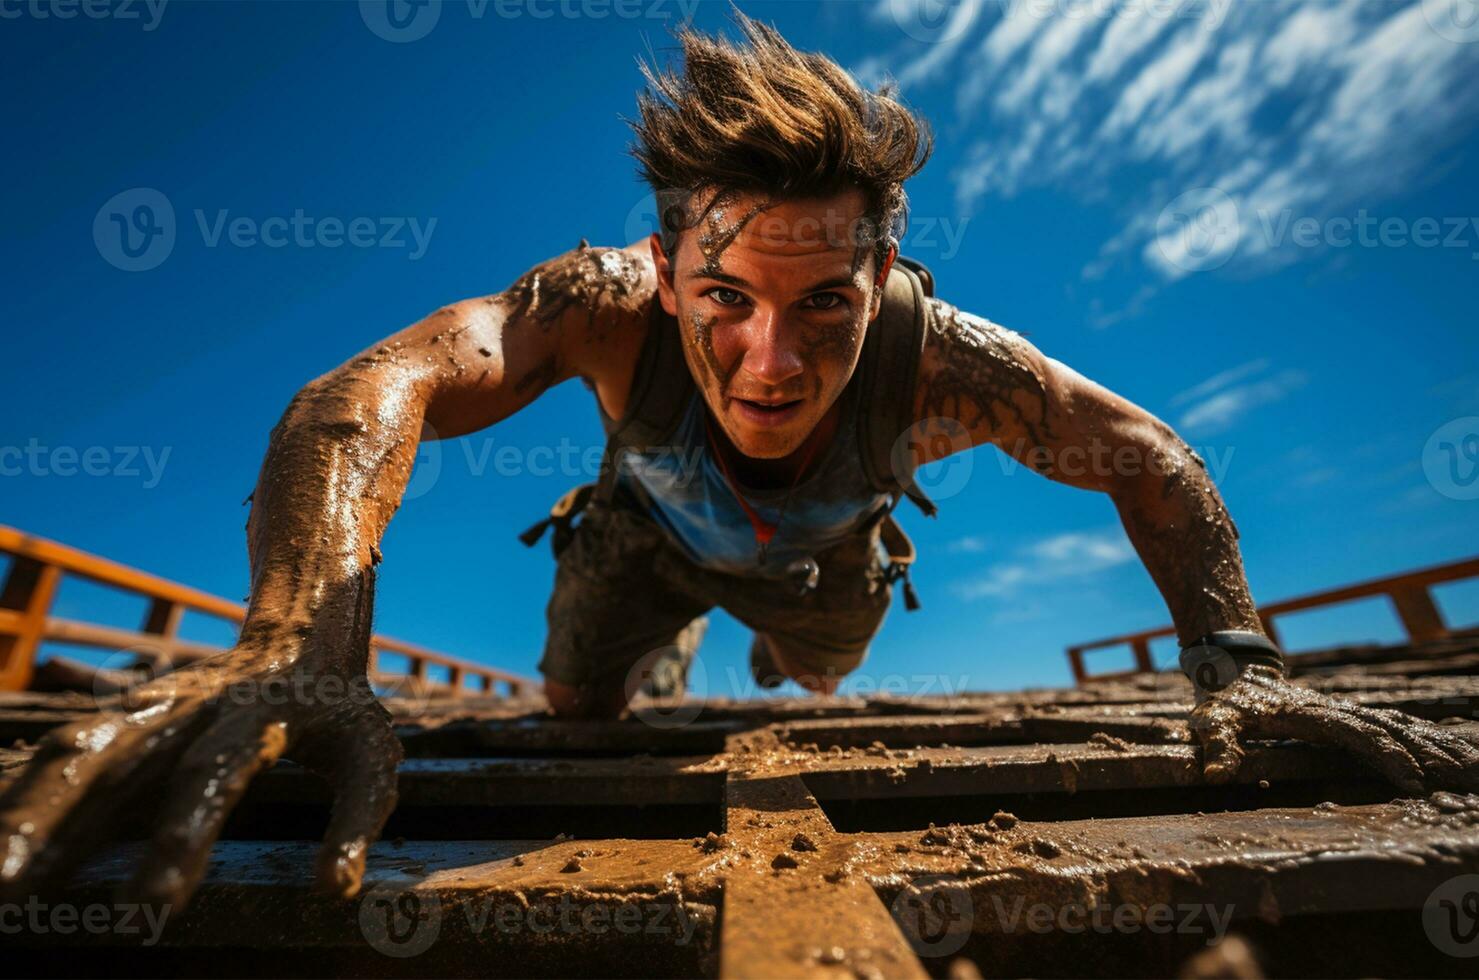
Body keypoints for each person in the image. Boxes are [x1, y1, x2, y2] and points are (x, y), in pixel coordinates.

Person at [3, 11, 1475, 913]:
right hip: (637, 541)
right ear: (665, 265)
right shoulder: (593, 303)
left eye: (823, 304)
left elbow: (1151, 461)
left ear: (884, 270)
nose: (771, 360)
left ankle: (772, 639)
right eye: (726, 303)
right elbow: (362, 396)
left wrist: (1239, 656)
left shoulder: (950, 359)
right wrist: (294, 656)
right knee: (581, 707)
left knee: (820, 668)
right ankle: (686, 627)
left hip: (831, 559)